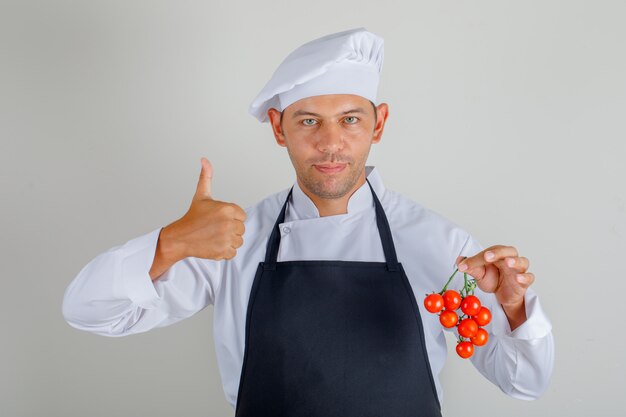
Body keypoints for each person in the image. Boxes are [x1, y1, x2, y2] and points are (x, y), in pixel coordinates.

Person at [62, 28, 554, 416]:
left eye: (350, 119)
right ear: (279, 129)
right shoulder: (236, 238)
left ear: (379, 124)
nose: (330, 143)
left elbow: (525, 384)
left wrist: (514, 309)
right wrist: (170, 243)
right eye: (308, 120)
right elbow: (90, 312)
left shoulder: (441, 243)